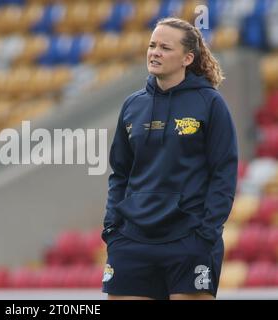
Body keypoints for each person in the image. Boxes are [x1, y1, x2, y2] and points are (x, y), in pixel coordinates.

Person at [101, 17, 238, 300]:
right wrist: (113, 228)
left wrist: (206, 234)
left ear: (188, 58)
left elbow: (224, 173)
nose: (155, 52)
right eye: (152, 45)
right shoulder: (132, 105)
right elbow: (120, 173)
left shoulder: (210, 104)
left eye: (165, 47)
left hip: (188, 240)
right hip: (131, 240)